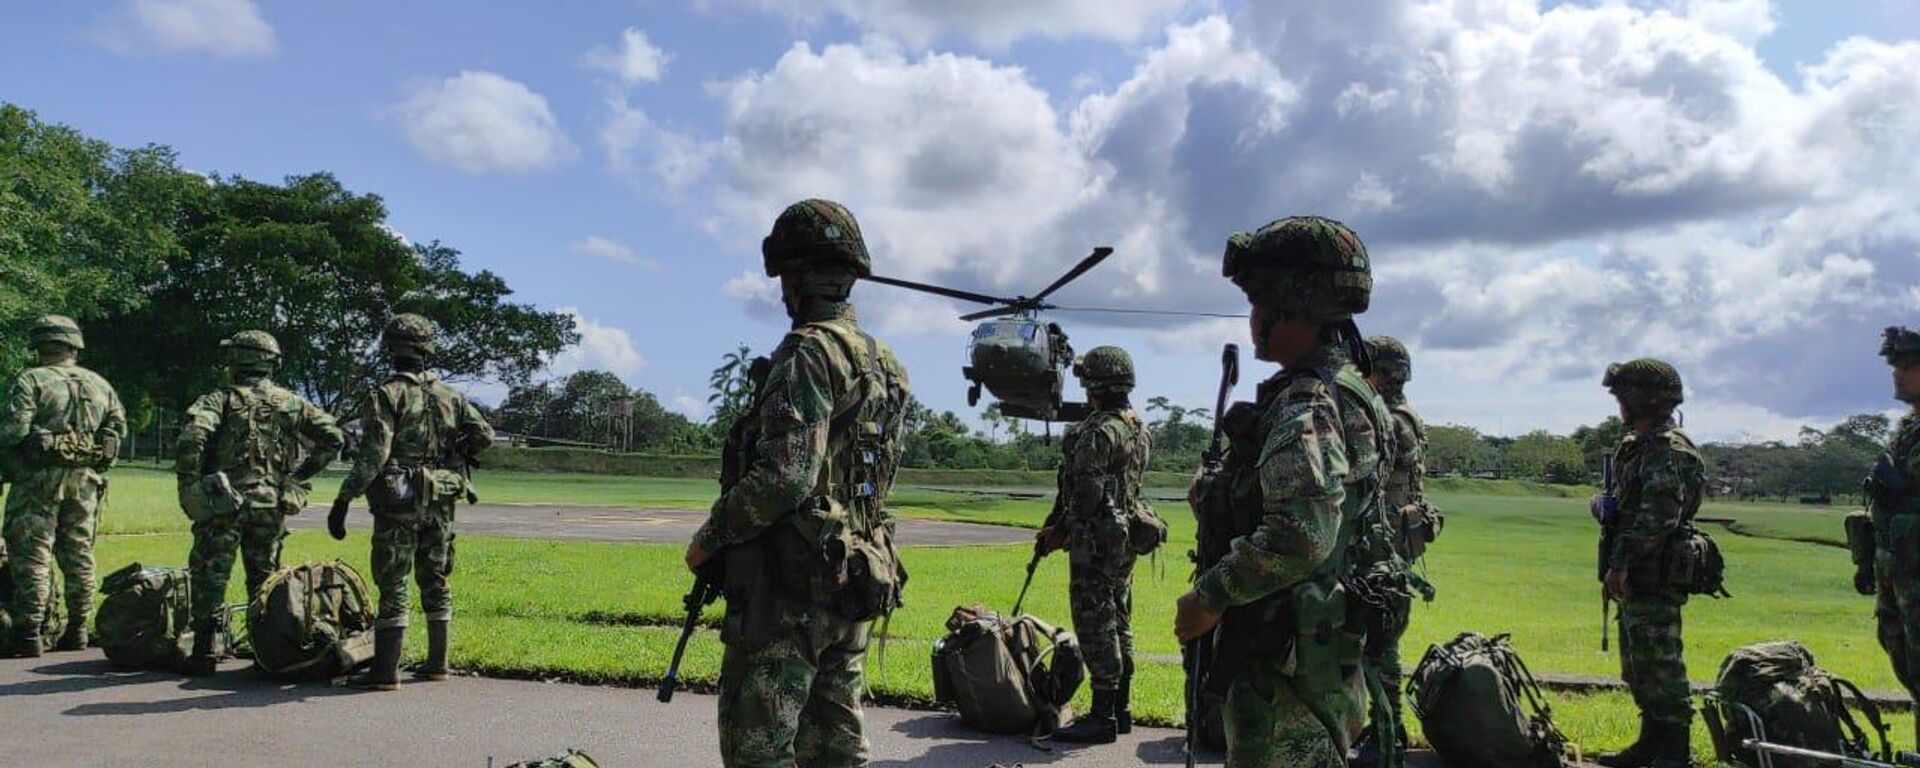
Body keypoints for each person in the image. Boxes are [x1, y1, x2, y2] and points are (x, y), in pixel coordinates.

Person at [684, 199, 911, 768]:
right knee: (837, 747)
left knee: (759, 747)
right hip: (855, 574)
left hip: (790, 589)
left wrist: (709, 539)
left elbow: (786, 476)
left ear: (798, 278)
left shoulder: (810, 352)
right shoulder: (885, 363)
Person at [1176, 217, 1391, 767]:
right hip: (1315, 643)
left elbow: (1300, 533)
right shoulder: (1355, 388)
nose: (1252, 321)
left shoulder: (1307, 402)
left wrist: (1210, 596)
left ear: (1286, 307)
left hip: (1281, 651)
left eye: (1257, 303)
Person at [327, 314, 493, 690]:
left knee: (393, 579)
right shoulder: (450, 396)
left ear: (391, 348)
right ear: (427, 350)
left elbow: (374, 454)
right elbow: (484, 433)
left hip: (398, 501)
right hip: (441, 497)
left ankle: (385, 672)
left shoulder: (387, 394)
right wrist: (455, 452)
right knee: (435, 577)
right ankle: (438, 664)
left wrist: (343, 499)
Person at [175, 331, 343, 675]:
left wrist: (192, 484)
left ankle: (204, 654)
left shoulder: (218, 400)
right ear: (271, 363)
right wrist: (296, 478)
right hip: (271, 505)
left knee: (211, 576)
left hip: (224, 505)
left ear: (236, 361)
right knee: (265, 579)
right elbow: (333, 439)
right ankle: (265, 653)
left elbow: (193, 437)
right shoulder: (292, 402)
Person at [1036, 345, 1155, 744]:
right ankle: (1120, 709)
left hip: (1096, 541)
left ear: (1094, 384)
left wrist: (1060, 531)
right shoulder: (1136, 426)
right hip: (1125, 539)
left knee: (1094, 621)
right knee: (1119, 619)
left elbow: (1083, 494)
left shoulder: (1097, 430)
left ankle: (1102, 715)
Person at [1594, 358, 1701, 768]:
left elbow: (1658, 518)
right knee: (1638, 664)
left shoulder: (1667, 449)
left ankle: (1675, 752)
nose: (1619, 403)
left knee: (1661, 664)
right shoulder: (1635, 445)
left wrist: (1619, 563)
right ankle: (1651, 743)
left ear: (1646, 399)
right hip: (1635, 569)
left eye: (1624, 395)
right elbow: (1627, 505)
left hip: (1655, 570)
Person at [2, 315, 126, 657]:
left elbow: (13, 431)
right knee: (79, 555)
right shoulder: (100, 385)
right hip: (85, 482)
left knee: (32, 554)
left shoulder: (31, 380)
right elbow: (116, 432)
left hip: (36, 481)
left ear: (40, 346)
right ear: (74, 346)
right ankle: (77, 630)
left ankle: (29, 633)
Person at [1351, 335, 1435, 767]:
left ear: (1377, 372)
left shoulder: (1383, 419)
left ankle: (1387, 736)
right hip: (1395, 546)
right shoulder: (1409, 415)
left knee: (1379, 645)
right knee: (1379, 641)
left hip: (1378, 548)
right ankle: (1384, 729)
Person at [1863, 327, 1920, 748]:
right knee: (1903, 655)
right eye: (1895, 366)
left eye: (1909, 366)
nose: (1898, 374)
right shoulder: (1906, 429)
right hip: (1899, 571)